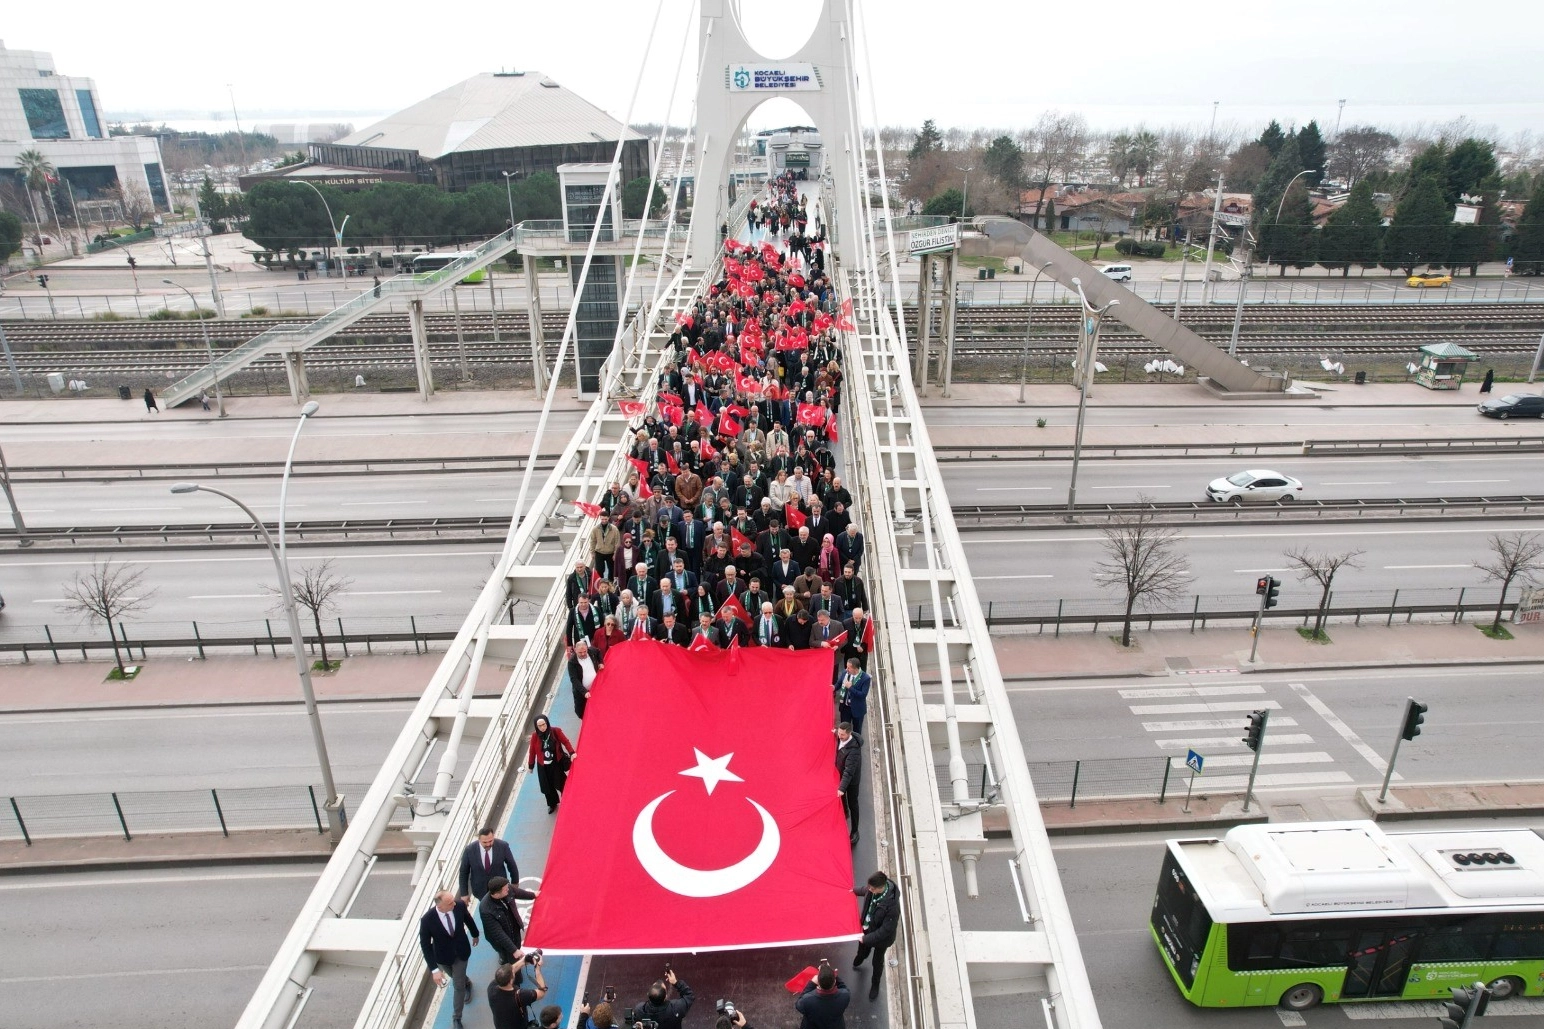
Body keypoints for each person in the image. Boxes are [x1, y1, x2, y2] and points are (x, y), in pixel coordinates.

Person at [418, 890, 479, 1029]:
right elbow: (425, 945)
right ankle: (467, 982)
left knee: (458, 985)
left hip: (461, 953)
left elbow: (468, 919)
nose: (454, 903)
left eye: (453, 900)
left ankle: (456, 1018)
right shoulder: (427, 920)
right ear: (440, 907)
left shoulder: (459, 906)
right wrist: (434, 970)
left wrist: (475, 934)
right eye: (450, 902)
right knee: (456, 977)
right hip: (443, 957)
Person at [852, 871, 901, 1001]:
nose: (870, 890)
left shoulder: (892, 907)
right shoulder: (873, 889)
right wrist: (853, 890)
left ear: (881, 887)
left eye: (872, 889)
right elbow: (864, 890)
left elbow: (885, 930)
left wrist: (866, 939)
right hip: (867, 930)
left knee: (877, 962)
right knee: (862, 949)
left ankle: (875, 984)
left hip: (882, 940)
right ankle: (860, 957)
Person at [479, 875, 537, 963]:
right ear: (497, 894)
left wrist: (533, 895)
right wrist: (514, 950)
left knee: (517, 947)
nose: (508, 889)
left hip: (514, 929)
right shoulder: (485, 909)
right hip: (502, 942)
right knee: (512, 961)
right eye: (506, 889)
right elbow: (498, 933)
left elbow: (518, 892)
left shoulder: (507, 888)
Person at [527, 715, 576, 813]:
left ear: (547, 723)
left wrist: (572, 752)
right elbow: (532, 751)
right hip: (543, 766)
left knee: (562, 783)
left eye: (543, 724)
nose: (542, 727)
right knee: (547, 787)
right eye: (539, 726)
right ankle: (552, 804)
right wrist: (531, 765)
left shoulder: (555, 731)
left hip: (555, 764)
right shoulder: (535, 736)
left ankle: (568, 800)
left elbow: (566, 742)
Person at [459, 827, 521, 904]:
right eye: (485, 842)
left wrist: (515, 883)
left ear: (493, 836)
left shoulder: (503, 846)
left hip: (500, 888)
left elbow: (512, 865)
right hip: (481, 891)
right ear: (479, 839)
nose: (488, 844)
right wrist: (464, 893)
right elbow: (463, 872)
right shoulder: (469, 850)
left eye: (490, 841)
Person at [487, 953, 547, 1029]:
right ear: (511, 981)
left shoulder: (491, 988)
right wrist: (537, 969)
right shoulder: (521, 996)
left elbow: (509, 971)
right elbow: (542, 992)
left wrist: (523, 960)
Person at [794, 965, 850, 1029]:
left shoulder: (807, 1000)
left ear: (818, 982)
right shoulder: (845, 995)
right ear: (834, 981)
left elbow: (798, 1005)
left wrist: (812, 983)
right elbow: (843, 986)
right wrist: (833, 975)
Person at [835, 721, 862, 845]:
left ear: (849, 734)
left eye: (842, 735)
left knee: (853, 804)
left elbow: (849, 772)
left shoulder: (854, 751)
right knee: (842, 800)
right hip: (841, 778)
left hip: (851, 782)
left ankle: (855, 831)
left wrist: (841, 788)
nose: (839, 736)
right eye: (839, 733)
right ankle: (844, 814)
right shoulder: (841, 736)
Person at [835, 658, 872, 734]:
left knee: (857, 731)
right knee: (844, 730)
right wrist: (833, 688)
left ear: (855, 669)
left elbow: (863, 695)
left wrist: (850, 688)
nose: (846, 669)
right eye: (846, 667)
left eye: (849, 668)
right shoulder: (845, 673)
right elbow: (838, 684)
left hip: (857, 709)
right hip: (845, 708)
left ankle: (856, 745)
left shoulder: (865, 678)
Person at [568, 640, 603, 719]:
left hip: (597, 689)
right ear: (575, 650)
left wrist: (601, 662)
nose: (583, 654)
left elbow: (598, 652)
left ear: (587, 648)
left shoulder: (592, 651)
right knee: (581, 712)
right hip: (582, 693)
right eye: (580, 652)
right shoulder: (572, 662)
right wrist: (584, 692)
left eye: (584, 651)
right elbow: (574, 679)